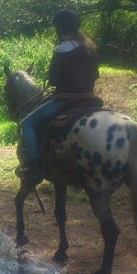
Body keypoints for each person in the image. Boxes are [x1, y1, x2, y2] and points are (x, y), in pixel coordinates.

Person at [18, 9, 99, 184]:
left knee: (27, 124)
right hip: (90, 98)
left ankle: (34, 166)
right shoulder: (89, 48)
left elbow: (53, 80)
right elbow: (95, 75)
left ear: (60, 29)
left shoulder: (61, 50)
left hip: (66, 99)